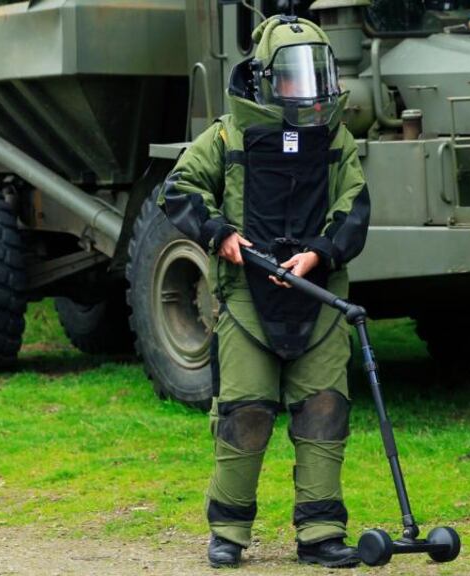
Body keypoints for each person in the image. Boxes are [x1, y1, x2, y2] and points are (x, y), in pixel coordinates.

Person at [158, 14, 371, 569]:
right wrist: (219, 233)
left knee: (325, 409)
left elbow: (355, 211)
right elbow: (178, 189)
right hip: (248, 300)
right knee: (245, 410)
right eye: (294, 76)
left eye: (316, 74)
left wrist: (321, 253)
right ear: (267, 79)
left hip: (319, 299)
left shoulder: (337, 140)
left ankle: (321, 534)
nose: (308, 88)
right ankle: (228, 532)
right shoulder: (228, 136)